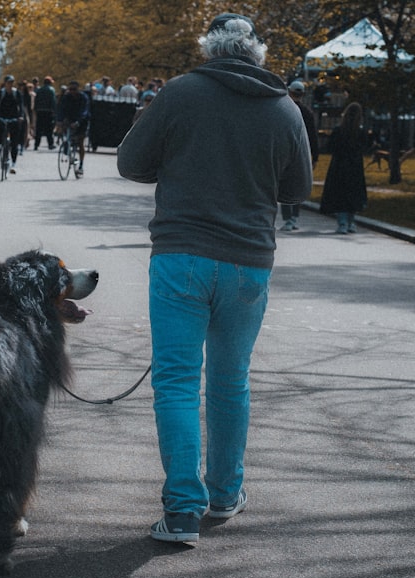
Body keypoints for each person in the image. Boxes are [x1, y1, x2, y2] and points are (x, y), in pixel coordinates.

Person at [117, 12, 313, 543]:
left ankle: (182, 511)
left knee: (177, 381)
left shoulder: (181, 93)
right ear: (257, 52)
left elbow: (131, 162)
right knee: (230, 381)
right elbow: (297, 188)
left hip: (182, 254)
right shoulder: (284, 107)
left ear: (211, 48)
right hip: (249, 260)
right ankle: (225, 494)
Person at [319, 102, 367, 234]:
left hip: (339, 165)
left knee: (340, 194)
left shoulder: (338, 130)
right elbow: (365, 148)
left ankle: (342, 222)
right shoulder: (360, 132)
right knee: (353, 194)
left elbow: (330, 147)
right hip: (355, 166)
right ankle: (351, 221)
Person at [279, 80, 320, 231]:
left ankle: (287, 217)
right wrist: (315, 156)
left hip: (286, 151)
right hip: (303, 152)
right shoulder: (307, 112)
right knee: (296, 183)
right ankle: (294, 216)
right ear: (302, 94)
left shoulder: (285, 109)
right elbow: (313, 136)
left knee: (283, 184)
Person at [55, 80, 90, 175]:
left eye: (74, 89)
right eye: (70, 89)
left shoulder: (83, 97)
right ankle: (68, 148)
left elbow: (85, 111)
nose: (72, 91)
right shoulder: (66, 97)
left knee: (80, 142)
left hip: (81, 121)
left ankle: (81, 165)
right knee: (67, 136)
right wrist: (59, 120)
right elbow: (61, 109)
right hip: (69, 119)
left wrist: (78, 121)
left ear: (78, 89)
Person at [0, 75, 25, 173]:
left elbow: (21, 106)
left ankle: (13, 164)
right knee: (0, 132)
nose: (10, 84)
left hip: (14, 118)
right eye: (8, 82)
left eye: (12, 82)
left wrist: (21, 116)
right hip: (2, 116)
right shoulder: (1, 93)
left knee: (14, 143)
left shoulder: (16, 93)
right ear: (5, 83)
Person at [33, 76, 57, 150]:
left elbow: (36, 100)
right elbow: (53, 101)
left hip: (40, 111)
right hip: (48, 111)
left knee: (39, 129)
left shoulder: (39, 90)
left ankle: (36, 144)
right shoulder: (51, 90)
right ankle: (50, 144)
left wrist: (35, 109)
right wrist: (54, 111)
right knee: (49, 129)